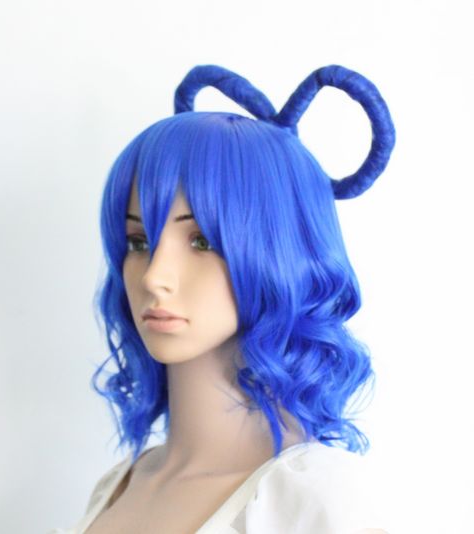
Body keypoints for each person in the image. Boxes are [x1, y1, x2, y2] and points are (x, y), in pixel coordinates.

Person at [50, 63, 396, 533]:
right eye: (138, 242)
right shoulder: (119, 486)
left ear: (278, 254)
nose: (154, 277)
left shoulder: (315, 501)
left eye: (201, 241)